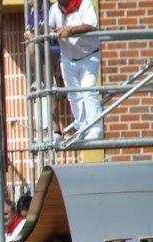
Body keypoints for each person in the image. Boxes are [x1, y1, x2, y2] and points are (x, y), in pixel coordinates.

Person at [46, 0, 102, 141]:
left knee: (88, 90)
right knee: (73, 94)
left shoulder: (84, 4)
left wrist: (70, 30)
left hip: (88, 55)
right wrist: (49, 32)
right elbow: (48, 28)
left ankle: (95, 128)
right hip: (67, 58)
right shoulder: (55, 9)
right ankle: (81, 128)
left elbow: (91, 25)